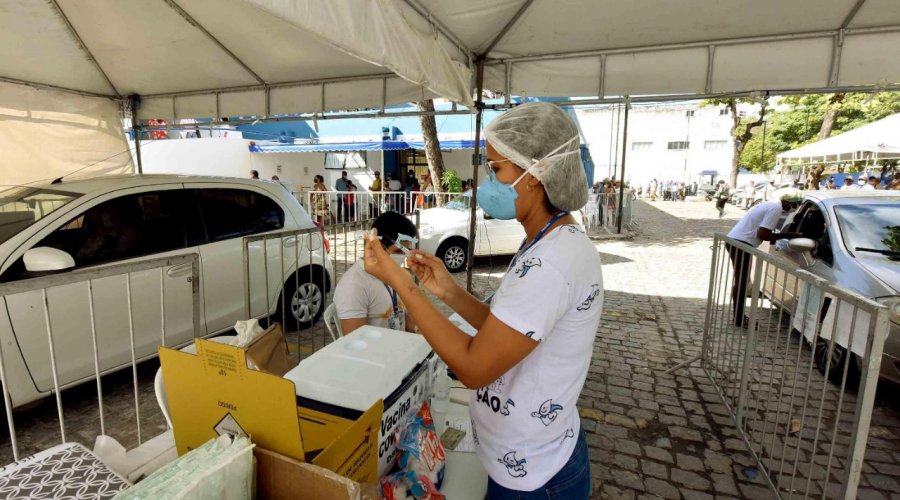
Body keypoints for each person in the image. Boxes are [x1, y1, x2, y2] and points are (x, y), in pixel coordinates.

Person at [361, 102, 600, 499]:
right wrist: (448, 290)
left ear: (535, 173)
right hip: (524, 456)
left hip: (534, 475)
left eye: (497, 169)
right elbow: (510, 327)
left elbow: (474, 368)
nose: (488, 182)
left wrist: (401, 284)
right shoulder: (547, 239)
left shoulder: (553, 261)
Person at [726, 188, 803, 328]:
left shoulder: (770, 204)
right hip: (741, 243)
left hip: (737, 241)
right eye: (795, 203)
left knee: (742, 281)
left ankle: (738, 316)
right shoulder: (776, 208)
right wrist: (788, 235)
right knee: (742, 281)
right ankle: (738, 318)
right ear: (787, 201)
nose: (795, 207)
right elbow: (764, 234)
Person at [334, 211, 418, 335]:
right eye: (398, 251)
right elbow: (355, 342)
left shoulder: (396, 274)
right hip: (378, 353)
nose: (404, 257)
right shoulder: (353, 285)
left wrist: (419, 331)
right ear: (377, 246)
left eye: (406, 251)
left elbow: (403, 318)